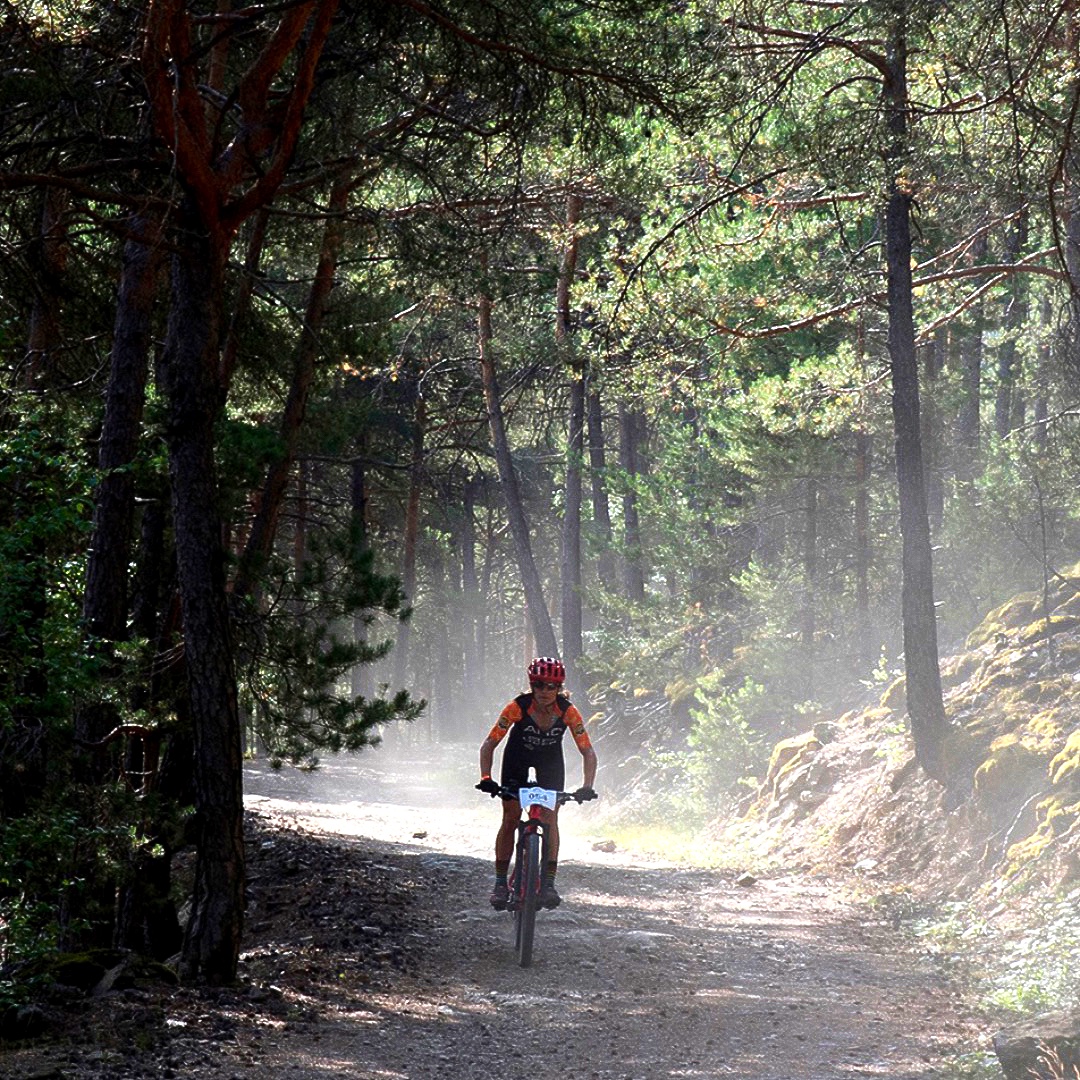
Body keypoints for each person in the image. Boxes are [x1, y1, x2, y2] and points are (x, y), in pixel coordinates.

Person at [476, 656, 597, 910]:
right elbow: (489, 744)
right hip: (516, 761)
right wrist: (486, 778)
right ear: (531, 685)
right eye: (538, 684)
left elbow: (587, 750)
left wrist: (587, 786)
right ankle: (500, 883)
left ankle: (549, 883)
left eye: (551, 686)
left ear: (559, 687)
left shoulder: (568, 711)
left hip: (550, 764)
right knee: (510, 817)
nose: (544, 691)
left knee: (550, 820)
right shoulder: (517, 707)